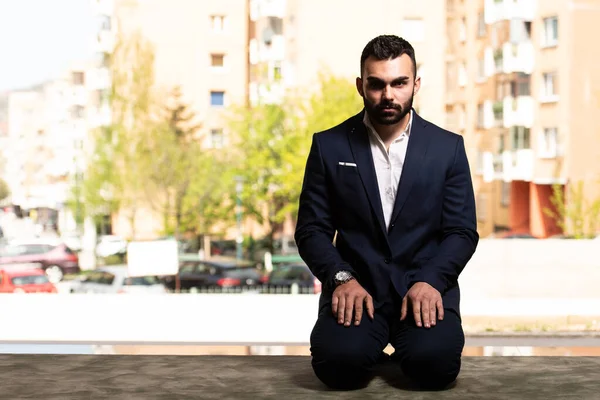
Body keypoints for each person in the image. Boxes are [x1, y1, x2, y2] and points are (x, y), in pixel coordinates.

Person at [294, 35, 478, 390]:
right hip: (358, 292)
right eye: (376, 84)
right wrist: (341, 279)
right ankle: (366, 347)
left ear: (416, 84)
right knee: (336, 367)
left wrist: (432, 281)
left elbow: (461, 232)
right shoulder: (328, 145)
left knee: (435, 367)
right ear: (361, 86)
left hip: (423, 290)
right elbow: (311, 230)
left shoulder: (448, 148)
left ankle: (407, 349)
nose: (388, 95)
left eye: (399, 83)